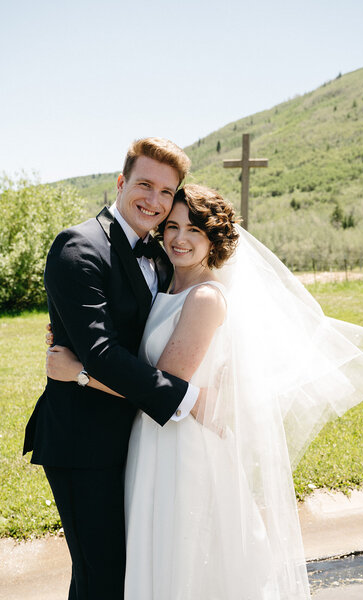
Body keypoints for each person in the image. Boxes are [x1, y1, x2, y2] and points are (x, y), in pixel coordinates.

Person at [45, 184, 363, 599]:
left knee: (183, 564)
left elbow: (161, 386)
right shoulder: (164, 284)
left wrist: (78, 372)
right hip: (153, 437)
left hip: (182, 446)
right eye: (172, 226)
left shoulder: (205, 297)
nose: (179, 238)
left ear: (214, 240)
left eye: (194, 230)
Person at [23, 138, 204, 600]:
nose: (155, 200)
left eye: (166, 192)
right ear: (121, 183)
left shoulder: (161, 255)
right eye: (145, 185)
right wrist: (183, 396)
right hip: (84, 442)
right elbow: (101, 352)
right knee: (102, 577)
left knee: (117, 574)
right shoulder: (78, 246)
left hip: (137, 438)